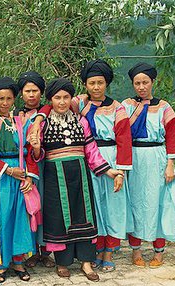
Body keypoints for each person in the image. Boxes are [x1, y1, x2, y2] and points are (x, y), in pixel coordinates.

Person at [29, 78, 122, 281]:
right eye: (57, 97)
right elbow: (38, 156)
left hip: (80, 175)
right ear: (50, 100)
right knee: (59, 219)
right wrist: (36, 147)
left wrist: (109, 171)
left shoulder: (81, 121)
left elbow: (91, 151)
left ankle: (86, 263)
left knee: (84, 216)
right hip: (55, 176)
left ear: (71, 98)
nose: (62, 102)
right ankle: (62, 262)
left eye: (66, 97)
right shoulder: (42, 123)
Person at [73, 60, 133, 272]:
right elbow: (55, 103)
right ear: (85, 84)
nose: (96, 87)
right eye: (91, 83)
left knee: (113, 207)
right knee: (93, 206)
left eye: (100, 82)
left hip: (111, 158)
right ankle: (96, 250)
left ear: (106, 83)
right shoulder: (78, 103)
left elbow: (125, 140)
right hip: (86, 158)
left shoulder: (118, 109)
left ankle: (109, 251)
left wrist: (121, 172)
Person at [122, 63, 175, 268]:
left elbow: (173, 137)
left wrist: (170, 165)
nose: (141, 87)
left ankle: (158, 252)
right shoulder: (127, 106)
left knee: (159, 203)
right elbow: (120, 134)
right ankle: (136, 250)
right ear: (133, 84)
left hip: (157, 157)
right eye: (137, 83)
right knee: (135, 203)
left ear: (152, 82)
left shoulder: (164, 107)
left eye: (145, 82)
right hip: (134, 159)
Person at [0, 77, 37, 283]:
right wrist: (7, 170)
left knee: (20, 217)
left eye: (9, 98)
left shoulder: (22, 122)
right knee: (0, 218)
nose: (4, 102)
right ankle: (2, 263)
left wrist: (29, 176)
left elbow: (29, 151)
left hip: (20, 173)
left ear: (14, 99)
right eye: (0, 98)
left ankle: (19, 261)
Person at [15, 71, 55, 269]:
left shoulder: (48, 111)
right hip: (26, 166)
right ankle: (31, 251)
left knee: (47, 205)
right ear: (21, 93)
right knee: (29, 206)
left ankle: (46, 251)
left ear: (41, 92)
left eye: (35, 91)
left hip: (46, 165)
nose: (31, 95)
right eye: (27, 91)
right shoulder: (16, 116)